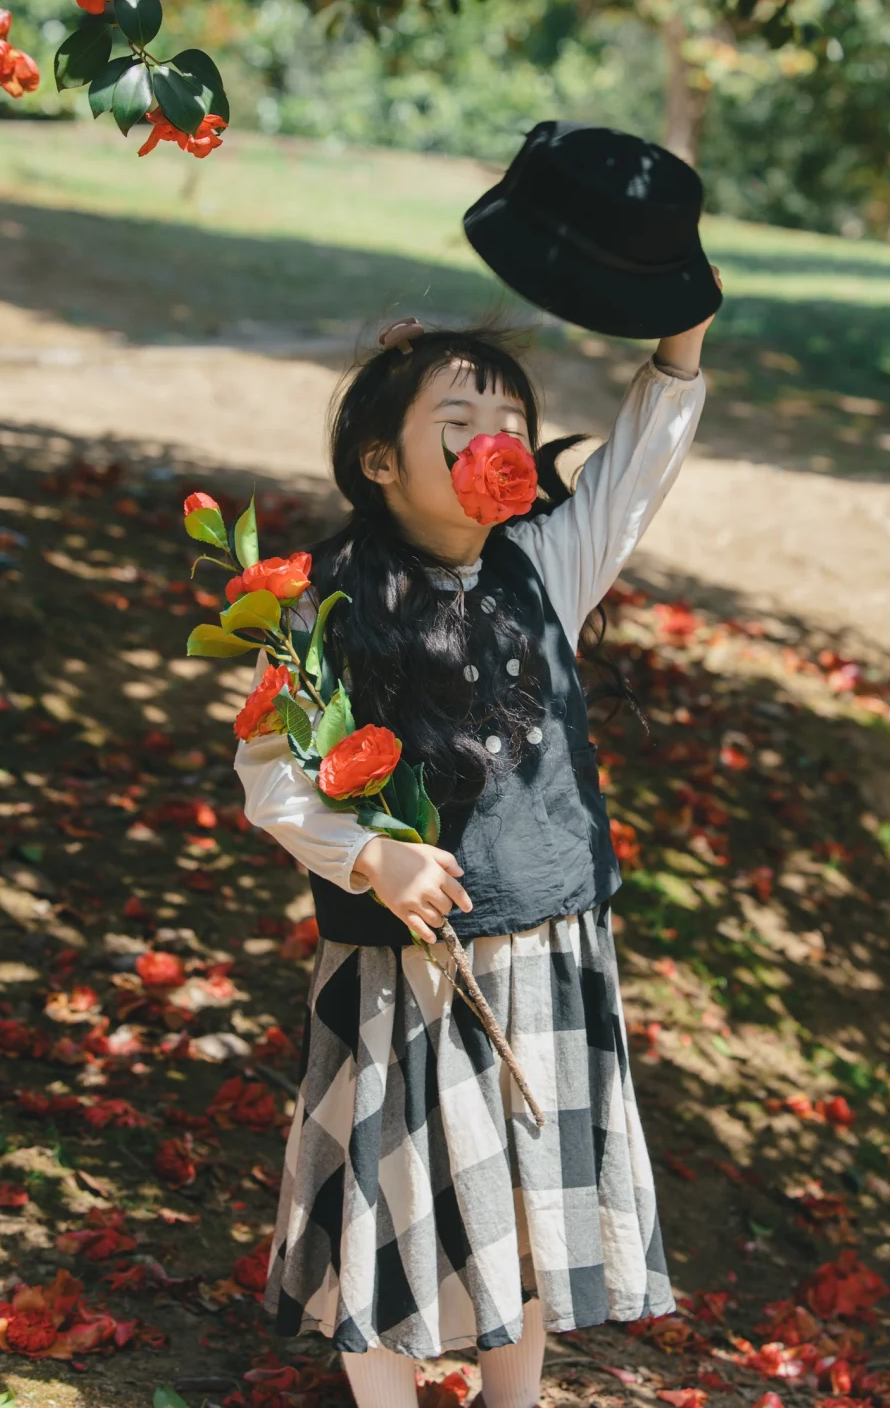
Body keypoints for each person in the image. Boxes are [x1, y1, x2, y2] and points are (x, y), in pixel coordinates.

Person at [235, 306, 713, 1408]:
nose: (492, 439)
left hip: (549, 945)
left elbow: (634, 477)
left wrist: (679, 352)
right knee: (390, 1201)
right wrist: (368, 860)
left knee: (534, 1197)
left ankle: (516, 1398)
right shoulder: (323, 606)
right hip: (405, 964)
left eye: (510, 418)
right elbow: (273, 777)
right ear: (377, 460)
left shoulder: (546, 563)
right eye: (457, 420)